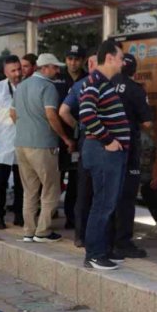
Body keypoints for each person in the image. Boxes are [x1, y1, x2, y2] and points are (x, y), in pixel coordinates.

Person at [12, 53, 74, 243]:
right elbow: (51, 115)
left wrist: (26, 128)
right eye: (54, 67)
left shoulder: (21, 86)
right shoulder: (48, 87)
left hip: (21, 144)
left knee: (29, 190)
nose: (57, 70)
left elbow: (12, 114)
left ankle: (28, 230)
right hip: (43, 145)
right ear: (45, 68)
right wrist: (65, 137)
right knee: (50, 189)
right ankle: (43, 231)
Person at [79, 39, 129, 271]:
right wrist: (108, 141)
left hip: (106, 153)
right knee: (102, 203)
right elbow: (87, 114)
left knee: (106, 202)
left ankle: (102, 250)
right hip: (102, 153)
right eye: (120, 58)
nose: (122, 64)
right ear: (109, 58)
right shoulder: (95, 82)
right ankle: (95, 254)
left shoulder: (101, 83)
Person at [110, 53, 153, 259]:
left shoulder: (104, 84)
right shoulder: (135, 90)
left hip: (106, 147)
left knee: (107, 195)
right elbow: (147, 122)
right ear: (134, 70)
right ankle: (123, 242)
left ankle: (107, 239)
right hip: (128, 149)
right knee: (127, 197)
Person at [59, 54, 98, 247]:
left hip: (85, 139)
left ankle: (80, 235)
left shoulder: (79, 85)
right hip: (103, 141)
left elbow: (63, 111)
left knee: (83, 187)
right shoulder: (107, 84)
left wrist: (78, 128)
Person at [0, 55, 24, 230]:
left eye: (18, 69)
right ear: (6, 72)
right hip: (2, 142)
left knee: (22, 183)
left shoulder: (26, 87)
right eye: (13, 71)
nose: (17, 73)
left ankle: (19, 214)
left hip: (23, 141)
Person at [58, 45, 88, 229]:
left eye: (76, 59)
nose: (73, 62)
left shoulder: (88, 79)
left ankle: (72, 217)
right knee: (56, 178)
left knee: (77, 180)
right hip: (61, 136)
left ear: (83, 60)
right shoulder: (58, 79)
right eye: (69, 58)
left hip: (83, 136)